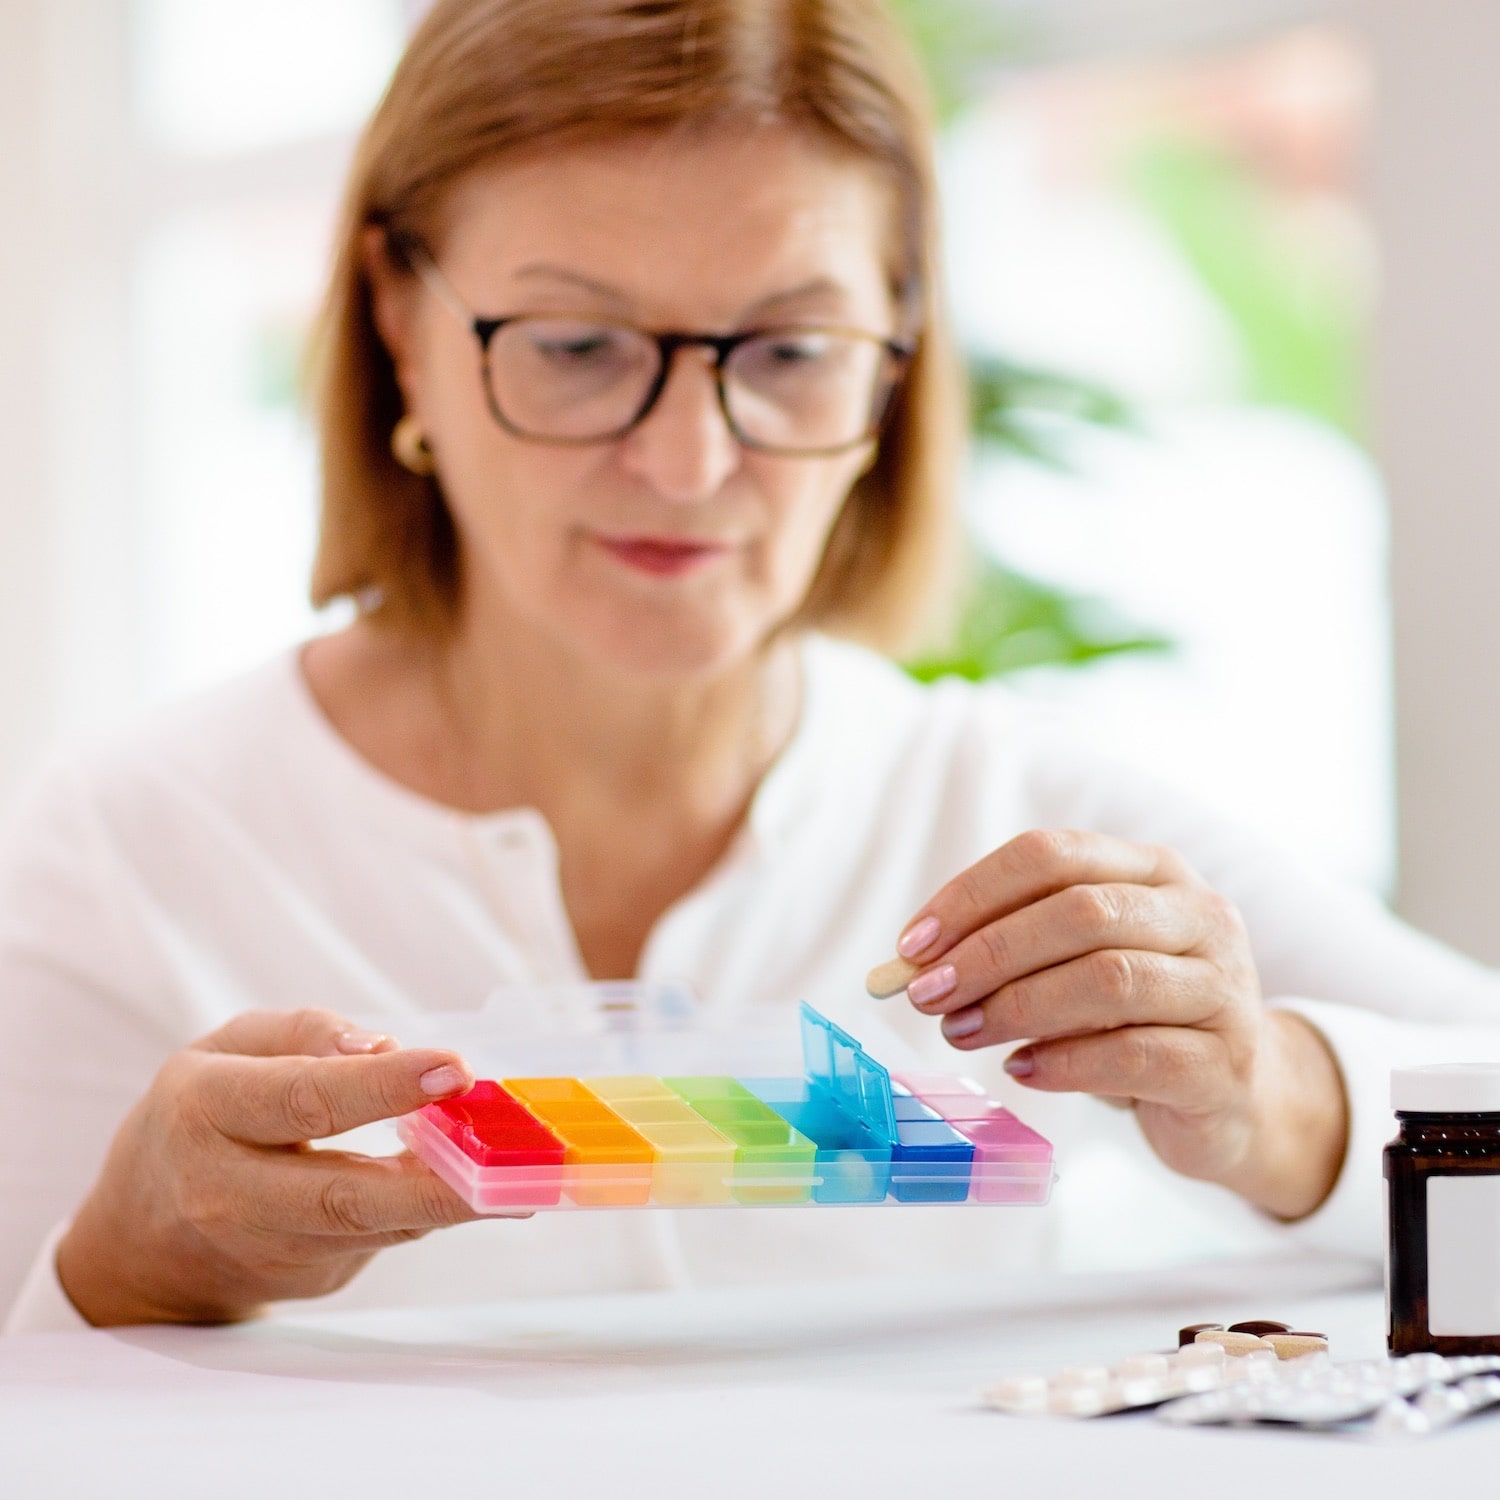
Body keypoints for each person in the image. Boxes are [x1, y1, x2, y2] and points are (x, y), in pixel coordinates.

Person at [3, 0, 1499, 1333]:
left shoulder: (1014, 817)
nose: (686, 458)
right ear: (400, 325)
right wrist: (118, 1274)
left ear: (895, 358)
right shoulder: (124, 848)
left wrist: (1274, 1099)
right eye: (578, 345)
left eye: (788, 353)